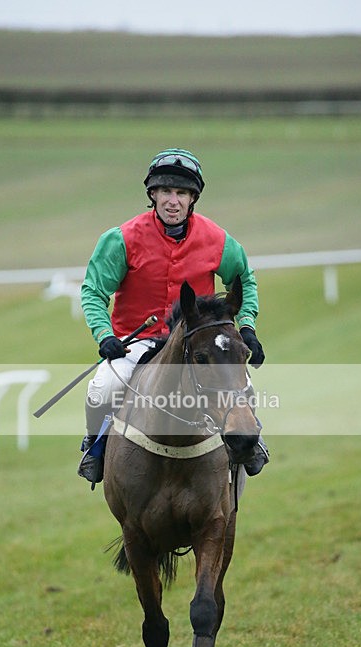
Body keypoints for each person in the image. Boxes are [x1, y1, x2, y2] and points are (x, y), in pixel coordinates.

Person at [78, 148, 269, 488]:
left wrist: (247, 327)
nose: (172, 201)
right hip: (135, 342)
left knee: (243, 386)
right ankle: (95, 448)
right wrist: (105, 335)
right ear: (152, 194)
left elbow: (245, 280)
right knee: (104, 386)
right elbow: (94, 291)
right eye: (165, 191)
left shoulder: (218, 239)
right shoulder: (120, 239)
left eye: (181, 193)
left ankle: (251, 446)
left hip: (196, 341)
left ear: (192, 198)